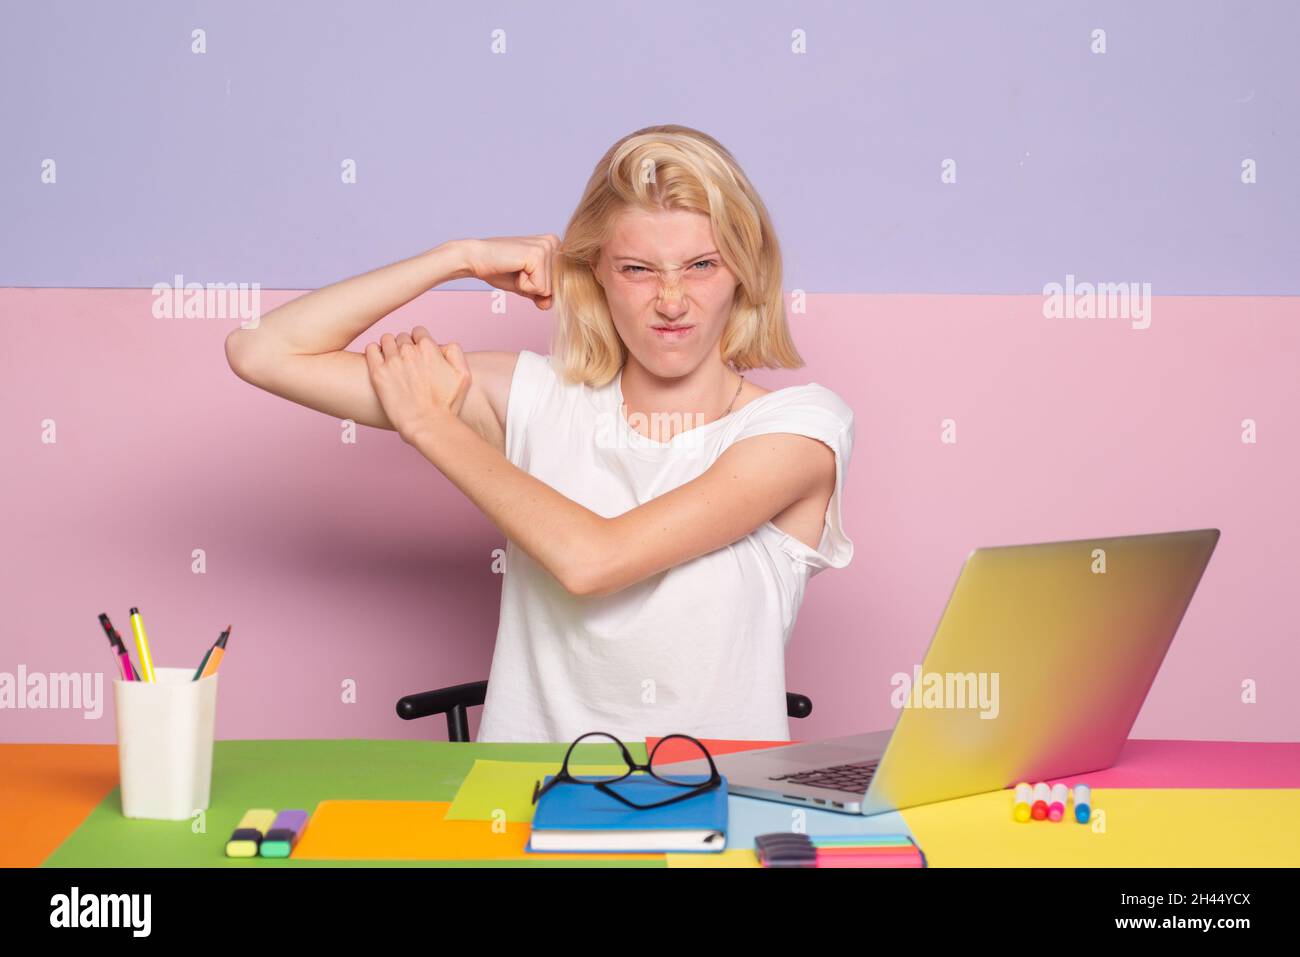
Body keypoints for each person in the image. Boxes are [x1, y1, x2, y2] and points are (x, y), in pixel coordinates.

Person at [225, 124, 854, 742]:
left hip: (720, 805)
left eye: (700, 265)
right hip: (527, 806)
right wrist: (458, 257)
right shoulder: (533, 397)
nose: (671, 300)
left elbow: (594, 561)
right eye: (637, 268)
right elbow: (263, 352)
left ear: (745, 270)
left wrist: (430, 425)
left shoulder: (801, 428)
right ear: (596, 275)